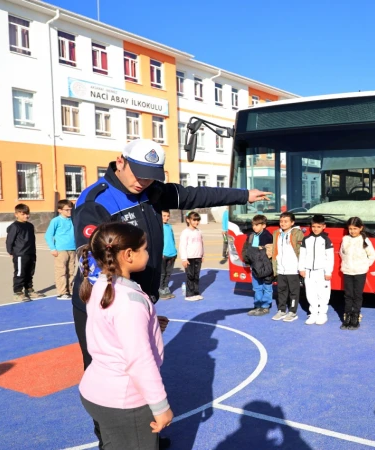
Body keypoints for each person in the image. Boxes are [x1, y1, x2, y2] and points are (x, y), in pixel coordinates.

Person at [72, 139, 268, 448]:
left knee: (144, 368)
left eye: (151, 175)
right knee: (114, 370)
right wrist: (132, 312)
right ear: (120, 162)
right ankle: (113, 439)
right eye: (138, 173)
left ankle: (144, 431)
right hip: (105, 301)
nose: (144, 182)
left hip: (136, 300)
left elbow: (194, 194)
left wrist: (242, 195)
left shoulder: (152, 189)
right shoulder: (95, 200)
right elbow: (96, 264)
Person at [77, 222, 172, 449]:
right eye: (145, 248)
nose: (149, 253)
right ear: (128, 255)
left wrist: (149, 326)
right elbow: (140, 361)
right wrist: (160, 407)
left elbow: (110, 327)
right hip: (125, 401)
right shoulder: (129, 301)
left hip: (97, 391)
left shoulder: (100, 285)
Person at [339, 217, 375, 330]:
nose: (352, 231)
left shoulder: (364, 240)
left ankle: (355, 316)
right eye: (350, 229)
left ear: (361, 228)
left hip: (360, 272)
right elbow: (342, 253)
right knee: (348, 295)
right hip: (347, 271)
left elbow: (373, 255)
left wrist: (365, 265)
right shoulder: (345, 239)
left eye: (355, 228)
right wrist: (346, 264)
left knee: (357, 295)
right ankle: (347, 316)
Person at [299, 215, 335, 325]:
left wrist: (328, 272)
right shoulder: (306, 239)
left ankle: (322, 314)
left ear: (324, 226)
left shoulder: (326, 240)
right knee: (310, 293)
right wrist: (301, 268)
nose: (315, 229)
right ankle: (313, 313)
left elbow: (330, 257)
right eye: (313, 226)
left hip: (321, 272)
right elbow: (302, 255)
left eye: (318, 227)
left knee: (323, 293)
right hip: (309, 272)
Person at [6, 203, 43, 302]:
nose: (26, 216)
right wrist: (10, 251)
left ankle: (29, 290)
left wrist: (33, 251)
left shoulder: (30, 226)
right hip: (20, 254)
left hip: (31, 253)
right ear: (16, 214)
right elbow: (10, 240)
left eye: (27, 214)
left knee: (29, 272)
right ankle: (17, 292)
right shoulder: (14, 226)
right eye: (22, 214)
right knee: (20, 273)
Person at [271, 212, 304, 322]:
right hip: (281, 268)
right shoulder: (277, 233)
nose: (283, 223)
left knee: (294, 291)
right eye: (281, 221)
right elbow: (275, 250)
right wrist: (275, 266)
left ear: (292, 223)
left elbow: (301, 251)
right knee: (281, 290)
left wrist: (301, 267)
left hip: (293, 269)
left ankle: (292, 312)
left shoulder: (297, 233)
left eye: (286, 221)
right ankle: (281, 310)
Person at [241, 214, 274, 317]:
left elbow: (270, 251)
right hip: (254, 266)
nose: (254, 227)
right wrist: (247, 259)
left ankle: (265, 306)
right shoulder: (250, 236)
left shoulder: (267, 236)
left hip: (265, 266)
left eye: (257, 225)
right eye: (253, 225)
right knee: (256, 287)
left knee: (267, 286)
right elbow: (245, 249)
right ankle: (257, 305)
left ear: (263, 225)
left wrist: (262, 250)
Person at [45, 199, 77, 300]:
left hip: (73, 249)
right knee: (61, 271)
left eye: (70, 209)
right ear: (60, 210)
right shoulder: (56, 221)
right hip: (61, 250)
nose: (69, 212)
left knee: (71, 271)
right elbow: (48, 235)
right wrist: (52, 248)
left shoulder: (73, 219)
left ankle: (70, 290)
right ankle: (62, 292)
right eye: (67, 210)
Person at [179, 211, 204, 301]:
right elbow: (183, 246)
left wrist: (202, 255)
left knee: (196, 276)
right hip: (189, 258)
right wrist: (184, 259)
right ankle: (189, 295)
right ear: (188, 220)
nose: (196, 222)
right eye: (194, 220)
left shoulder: (199, 232)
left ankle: (196, 293)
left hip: (198, 257)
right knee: (190, 276)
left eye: (197, 220)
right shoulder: (185, 232)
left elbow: (201, 244)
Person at [158, 210, 177, 300]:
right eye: (164, 215)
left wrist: (175, 250)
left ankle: (166, 288)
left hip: (172, 254)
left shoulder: (169, 226)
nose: (166, 217)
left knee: (168, 273)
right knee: (162, 273)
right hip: (163, 254)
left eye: (168, 216)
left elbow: (172, 239)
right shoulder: (158, 227)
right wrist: (159, 252)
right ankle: (161, 289)